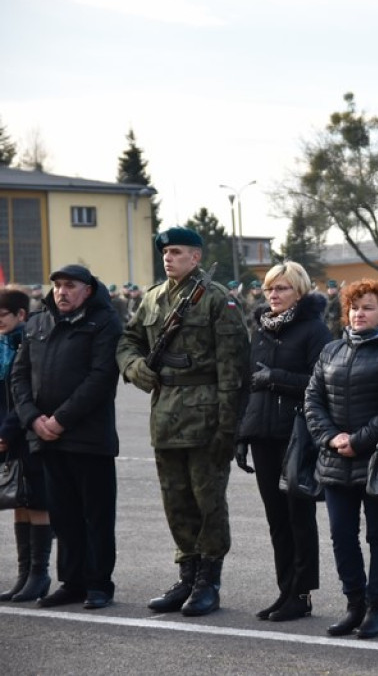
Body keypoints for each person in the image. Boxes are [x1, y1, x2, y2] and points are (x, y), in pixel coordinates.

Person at [117, 227, 249, 617]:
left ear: (196, 256)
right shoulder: (153, 298)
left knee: (208, 501)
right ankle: (187, 574)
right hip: (165, 414)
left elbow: (234, 369)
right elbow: (127, 341)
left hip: (206, 415)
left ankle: (209, 580)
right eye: (165, 252)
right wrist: (135, 367)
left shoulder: (217, 299)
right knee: (175, 500)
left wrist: (228, 427)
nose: (168, 258)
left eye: (176, 252)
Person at [306, 279, 378, 639]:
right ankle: (354, 604)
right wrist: (331, 437)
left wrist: (358, 441)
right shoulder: (331, 350)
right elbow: (313, 400)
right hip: (335, 458)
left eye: (368, 307)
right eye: (354, 308)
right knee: (341, 535)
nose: (359, 314)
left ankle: (376, 606)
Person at [11, 265, 122, 609]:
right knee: (63, 515)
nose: (62, 291)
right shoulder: (38, 323)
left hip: (88, 438)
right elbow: (19, 376)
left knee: (96, 516)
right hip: (46, 438)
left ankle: (99, 584)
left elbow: (101, 378)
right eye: (58, 285)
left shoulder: (104, 322)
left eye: (70, 285)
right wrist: (33, 419)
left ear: (87, 290)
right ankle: (72, 583)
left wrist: (60, 420)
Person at [235, 261, 331, 622]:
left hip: (297, 435)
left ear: (299, 291)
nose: (273, 295)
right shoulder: (260, 329)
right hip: (263, 434)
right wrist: (242, 434)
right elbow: (249, 385)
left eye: (282, 288)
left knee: (298, 517)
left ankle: (301, 594)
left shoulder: (314, 329)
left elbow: (321, 382)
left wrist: (277, 377)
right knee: (276, 518)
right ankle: (285, 589)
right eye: (269, 288)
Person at [0, 288, 52, 603]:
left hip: (26, 432)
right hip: (7, 436)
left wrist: (7, 431)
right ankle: (24, 575)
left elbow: (26, 393)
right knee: (18, 501)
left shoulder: (29, 341)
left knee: (37, 502)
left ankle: (39, 574)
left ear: (21, 314)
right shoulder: (3, 345)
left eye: (2, 316)